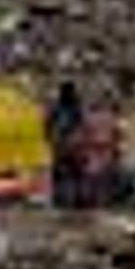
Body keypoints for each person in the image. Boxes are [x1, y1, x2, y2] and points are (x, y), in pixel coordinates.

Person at [48, 80, 88, 211]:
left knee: (60, 173)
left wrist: (50, 138)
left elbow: (48, 124)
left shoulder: (57, 106)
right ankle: (78, 199)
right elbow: (82, 125)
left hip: (60, 143)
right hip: (73, 143)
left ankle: (59, 199)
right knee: (76, 173)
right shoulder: (76, 107)